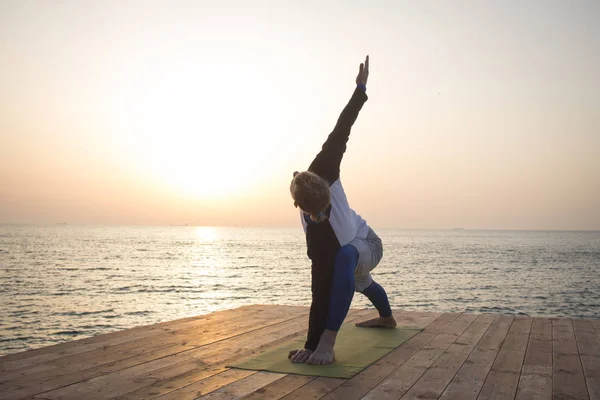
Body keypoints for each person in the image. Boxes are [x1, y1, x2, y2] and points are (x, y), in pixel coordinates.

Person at [288, 56, 396, 366]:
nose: (324, 214)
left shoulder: (326, 165)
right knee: (353, 282)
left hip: (368, 244)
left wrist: (360, 88)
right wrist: (309, 346)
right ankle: (386, 319)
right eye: (318, 214)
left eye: (327, 206)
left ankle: (330, 342)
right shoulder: (314, 235)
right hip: (342, 255)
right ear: (303, 209)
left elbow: (343, 124)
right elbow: (318, 290)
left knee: (347, 258)